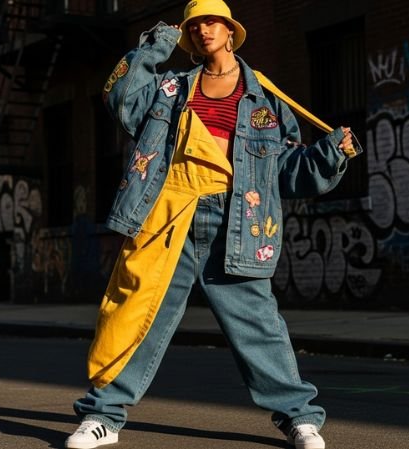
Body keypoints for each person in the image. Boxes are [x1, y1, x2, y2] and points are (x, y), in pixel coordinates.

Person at [66, 1, 357, 448]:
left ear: (230, 30)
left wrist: (329, 154)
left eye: (212, 22)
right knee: (135, 313)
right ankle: (102, 415)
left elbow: (285, 171)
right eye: (194, 24)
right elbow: (120, 97)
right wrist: (158, 42)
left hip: (239, 219)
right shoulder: (170, 89)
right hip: (168, 215)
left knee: (258, 324)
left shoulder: (267, 98)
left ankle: (300, 417)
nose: (204, 30)